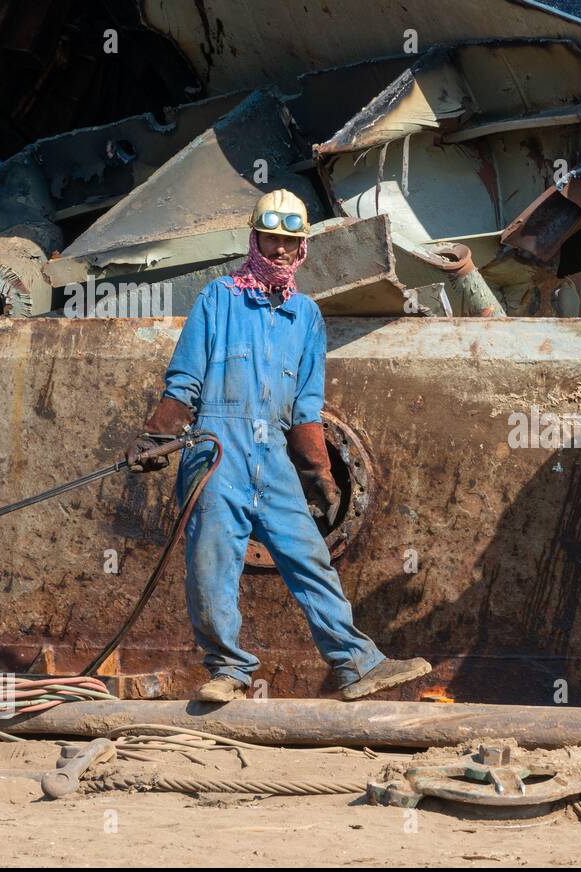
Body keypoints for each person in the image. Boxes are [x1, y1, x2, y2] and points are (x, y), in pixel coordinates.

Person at [126, 188, 431, 702]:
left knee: (309, 557)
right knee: (213, 561)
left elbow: (306, 407)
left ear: (303, 247)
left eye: (292, 242)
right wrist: (155, 435)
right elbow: (184, 382)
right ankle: (227, 670)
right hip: (216, 450)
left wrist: (319, 474)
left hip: (273, 458)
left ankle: (355, 663)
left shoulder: (307, 316)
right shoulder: (218, 298)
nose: (282, 250)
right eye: (272, 239)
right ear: (255, 238)